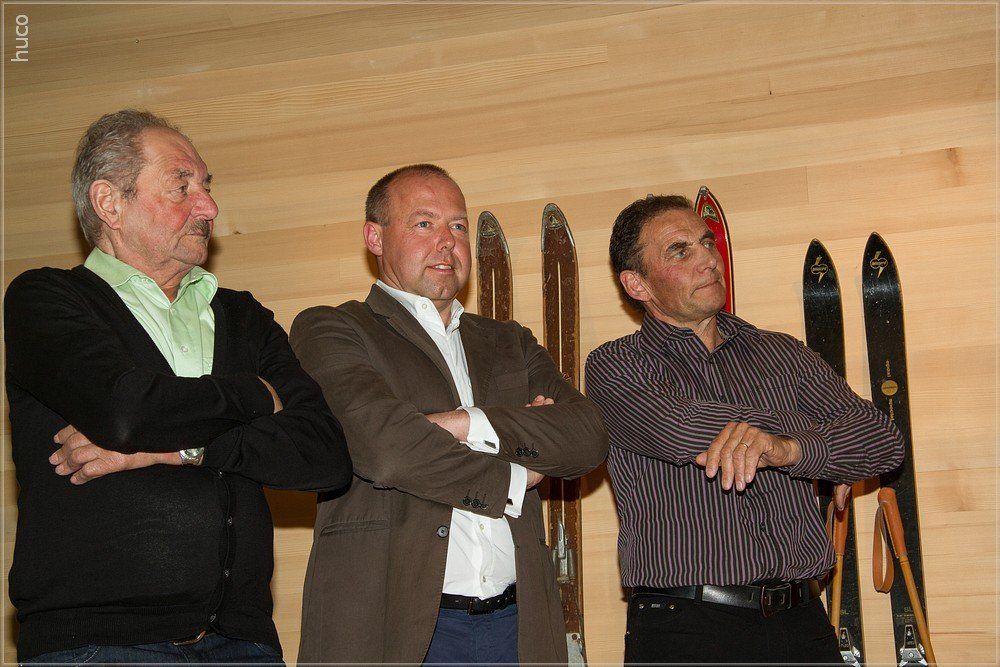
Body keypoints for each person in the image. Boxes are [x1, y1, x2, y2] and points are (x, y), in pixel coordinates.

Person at [4, 109, 352, 664]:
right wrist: (254, 395)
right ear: (109, 203)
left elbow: (325, 455)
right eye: (182, 186)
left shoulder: (244, 317)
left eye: (207, 187)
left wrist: (174, 451)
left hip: (244, 643)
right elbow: (125, 411)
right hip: (98, 645)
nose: (208, 207)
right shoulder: (46, 300)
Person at [289, 164, 608, 664]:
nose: (447, 241)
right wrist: (515, 476)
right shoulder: (332, 329)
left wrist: (465, 423)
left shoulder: (509, 341)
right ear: (375, 237)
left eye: (458, 226)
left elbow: (587, 436)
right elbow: (386, 449)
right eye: (424, 223)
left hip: (517, 626)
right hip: (393, 626)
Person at [585, 194, 904, 664]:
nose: (707, 259)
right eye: (680, 251)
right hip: (686, 628)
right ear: (637, 284)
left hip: (803, 619)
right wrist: (820, 442)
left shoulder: (782, 352)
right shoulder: (616, 365)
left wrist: (792, 450)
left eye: (706, 243)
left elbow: (883, 439)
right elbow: (681, 430)